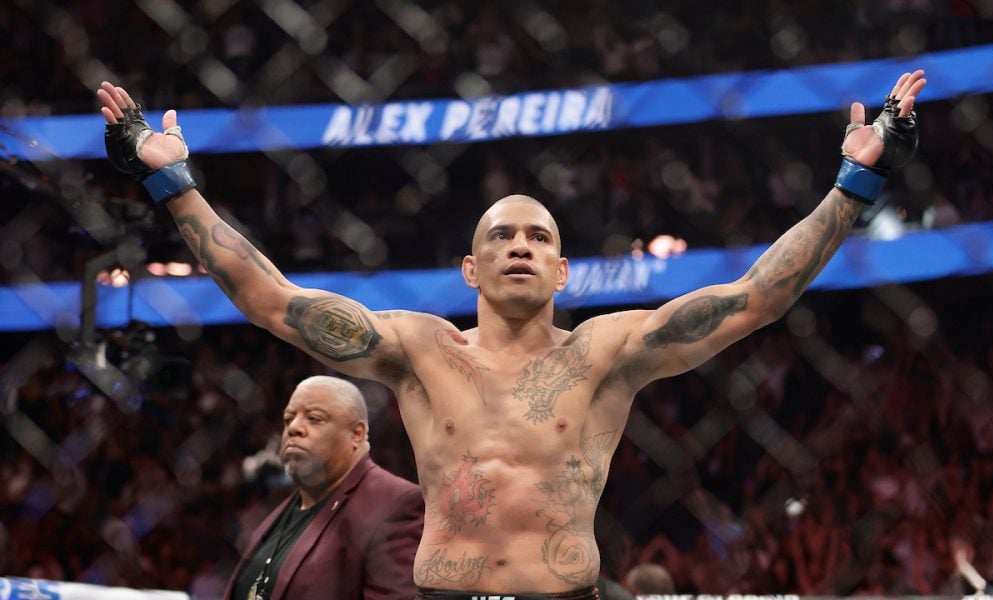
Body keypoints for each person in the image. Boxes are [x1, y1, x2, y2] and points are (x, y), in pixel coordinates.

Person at [97, 69, 926, 599]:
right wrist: (173, 184)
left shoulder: (605, 354)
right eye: (501, 235)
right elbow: (274, 302)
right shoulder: (420, 350)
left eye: (538, 237)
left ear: (563, 271)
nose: (520, 245)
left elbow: (752, 299)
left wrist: (853, 185)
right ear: (471, 268)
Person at [223, 376, 424, 600]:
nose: (294, 428)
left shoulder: (393, 504)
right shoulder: (281, 512)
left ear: (356, 434)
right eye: (288, 419)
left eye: (314, 418)